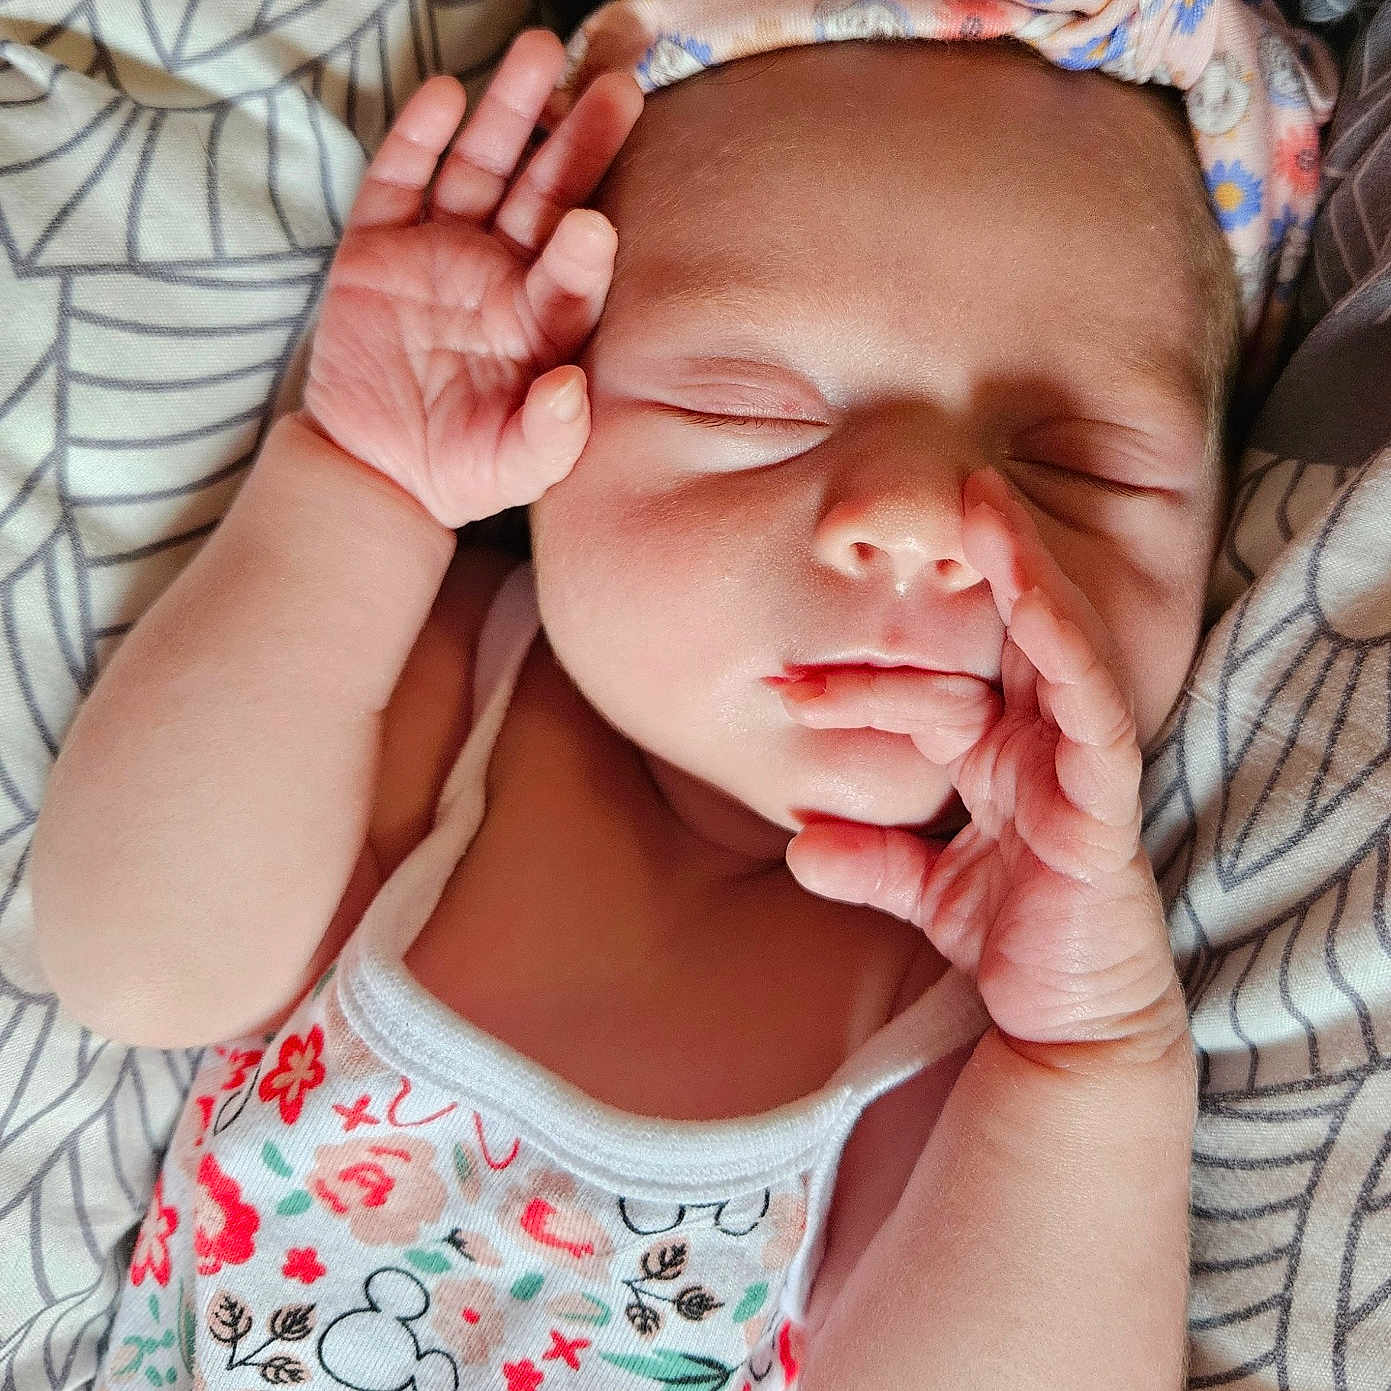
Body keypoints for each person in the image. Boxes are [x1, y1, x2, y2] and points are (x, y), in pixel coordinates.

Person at [27, 0, 1334, 1383]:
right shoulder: (441, 694)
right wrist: (359, 488)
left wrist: (1088, 1062)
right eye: (748, 412)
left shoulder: (982, 1017)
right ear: (552, 397)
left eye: (1075, 464)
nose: (918, 522)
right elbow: (142, 965)